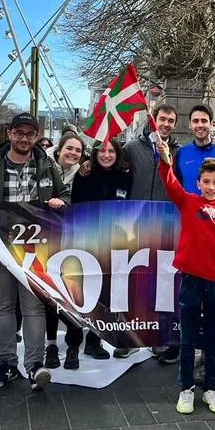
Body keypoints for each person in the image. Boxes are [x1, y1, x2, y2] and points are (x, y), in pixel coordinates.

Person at [0, 112, 69, 390]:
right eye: (19, 133)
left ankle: (34, 365)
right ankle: (7, 363)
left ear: (35, 136)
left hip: (35, 250)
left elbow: (65, 194)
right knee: (3, 306)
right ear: (10, 134)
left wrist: (60, 202)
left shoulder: (47, 166)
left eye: (30, 133)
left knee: (34, 307)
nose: (24, 138)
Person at [156, 141, 215, 415]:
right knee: (188, 339)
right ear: (198, 183)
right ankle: (186, 388)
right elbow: (170, 183)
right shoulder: (189, 202)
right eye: (206, 182)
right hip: (192, 281)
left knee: (213, 340)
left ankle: (211, 388)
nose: (211, 187)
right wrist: (165, 160)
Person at [61, 139, 134, 367]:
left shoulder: (126, 176)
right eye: (102, 151)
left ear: (118, 154)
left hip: (112, 243)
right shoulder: (85, 174)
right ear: (94, 154)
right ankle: (73, 345)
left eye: (111, 151)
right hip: (84, 241)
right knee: (78, 294)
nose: (106, 155)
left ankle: (94, 341)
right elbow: (75, 206)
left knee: (103, 295)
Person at [42, 130, 85, 369]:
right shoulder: (43, 168)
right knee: (50, 296)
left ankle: (73, 346)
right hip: (48, 241)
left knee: (74, 295)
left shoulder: (84, 174)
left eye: (78, 150)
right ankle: (50, 345)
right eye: (69, 148)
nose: (73, 153)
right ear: (59, 150)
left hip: (76, 241)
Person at [125, 104, 180, 201]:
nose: (166, 124)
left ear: (175, 125)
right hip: (136, 208)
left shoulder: (179, 152)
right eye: (162, 119)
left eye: (171, 121)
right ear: (154, 121)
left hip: (165, 209)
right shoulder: (132, 148)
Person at [173, 105, 215, 194]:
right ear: (190, 125)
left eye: (204, 121)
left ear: (211, 124)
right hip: (190, 203)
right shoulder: (182, 153)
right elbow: (177, 185)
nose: (200, 125)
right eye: (195, 121)